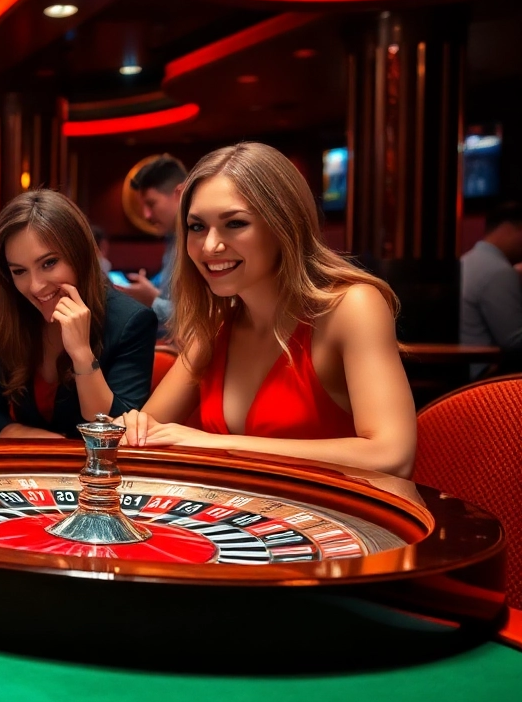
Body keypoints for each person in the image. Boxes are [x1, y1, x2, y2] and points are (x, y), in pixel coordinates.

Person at [119, 142, 416, 479]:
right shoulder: (216, 325)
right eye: (197, 227)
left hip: (346, 522)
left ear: (283, 226)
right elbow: (146, 433)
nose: (210, 246)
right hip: (242, 519)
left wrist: (212, 445)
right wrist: (134, 425)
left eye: (235, 224)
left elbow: (392, 455)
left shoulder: (353, 307)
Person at [0, 190, 156, 439]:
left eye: (48, 263)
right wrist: (36, 439)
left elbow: (114, 428)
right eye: (19, 271)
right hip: (30, 468)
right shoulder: (14, 316)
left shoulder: (131, 321)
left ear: (79, 255)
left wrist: (82, 354)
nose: (35, 286)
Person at [118, 155, 188, 337]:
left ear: (179, 193)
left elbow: (203, 318)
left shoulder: (200, 242)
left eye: (151, 204)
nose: (146, 215)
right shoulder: (173, 240)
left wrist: (152, 299)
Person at [460, 201, 522, 377]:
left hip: (462, 373)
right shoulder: (497, 270)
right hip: (484, 377)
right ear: (508, 228)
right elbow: (514, 341)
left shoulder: (468, 260)